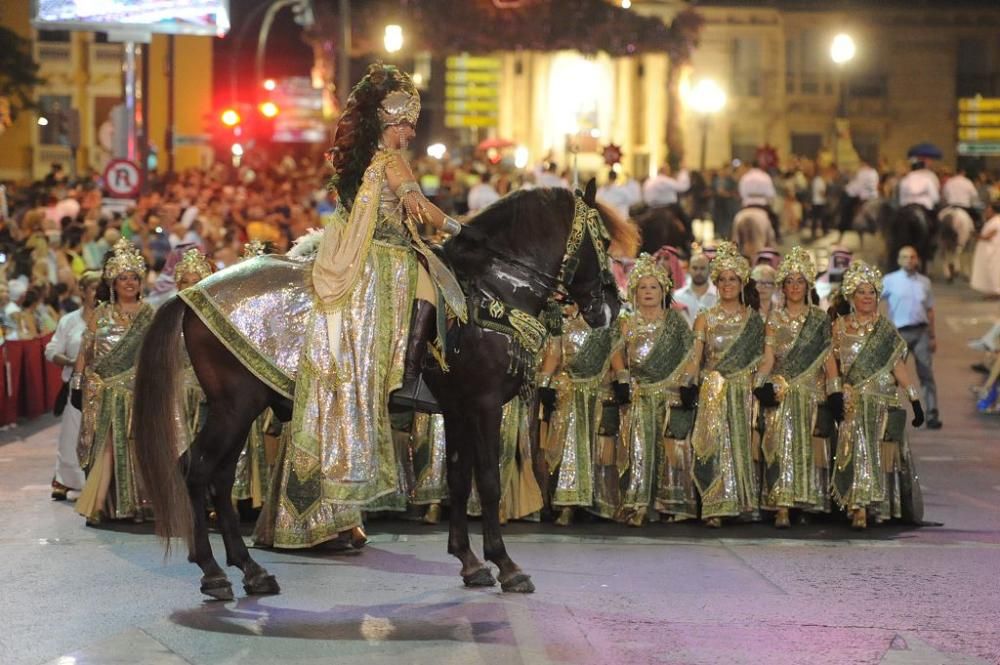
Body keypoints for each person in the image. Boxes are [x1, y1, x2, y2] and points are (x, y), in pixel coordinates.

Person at [261, 64, 470, 548]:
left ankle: (333, 516)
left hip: (356, 261)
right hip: (384, 265)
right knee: (433, 288)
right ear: (390, 125)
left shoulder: (359, 161)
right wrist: (465, 230)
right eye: (407, 125)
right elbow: (419, 211)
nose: (411, 133)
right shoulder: (391, 162)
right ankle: (411, 372)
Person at [830, 260, 925, 529]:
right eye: (861, 292)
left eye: (872, 292)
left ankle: (879, 506)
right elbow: (831, 365)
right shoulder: (839, 328)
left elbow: (899, 367)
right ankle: (857, 504)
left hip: (884, 401)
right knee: (855, 449)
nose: (867, 297)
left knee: (881, 452)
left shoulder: (886, 330)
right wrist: (835, 392)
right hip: (853, 402)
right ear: (851, 295)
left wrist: (914, 398)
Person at [754, 248, 839, 528]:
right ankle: (780, 504)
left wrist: (835, 389)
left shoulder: (819, 319)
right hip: (781, 392)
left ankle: (806, 503)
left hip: (812, 394)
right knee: (778, 446)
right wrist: (760, 384)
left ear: (808, 285)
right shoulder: (774, 318)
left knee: (808, 449)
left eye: (799, 282)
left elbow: (827, 357)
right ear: (783, 286)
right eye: (789, 282)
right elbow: (768, 357)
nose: (794, 287)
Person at [611, 254, 697, 525]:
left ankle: (671, 504)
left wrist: (685, 385)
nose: (648, 292)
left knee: (672, 450)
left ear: (664, 291)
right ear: (634, 292)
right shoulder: (626, 322)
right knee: (638, 450)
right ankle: (638, 504)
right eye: (643, 288)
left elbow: (691, 356)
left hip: (671, 395)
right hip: (638, 395)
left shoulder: (676, 322)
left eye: (654, 287)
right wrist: (623, 379)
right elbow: (617, 354)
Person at [73, 239, 155, 524]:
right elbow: (87, 350)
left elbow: (157, 355)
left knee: (137, 448)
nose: (129, 283)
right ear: (113, 282)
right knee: (106, 447)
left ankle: (137, 506)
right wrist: (77, 382)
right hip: (104, 392)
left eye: (134, 277)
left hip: (138, 392)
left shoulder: (150, 314)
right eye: (123, 278)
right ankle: (96, 506)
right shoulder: (101, 314)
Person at [688, 241, 764, 527]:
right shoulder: (704, 319)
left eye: (733, 279)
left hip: (744, 390)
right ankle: (714, 506)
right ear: (716, 283)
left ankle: (743, 503)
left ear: (742, 282)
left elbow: (762, 360)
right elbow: (696, 358)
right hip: (713, 388)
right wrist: (688, 382)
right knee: (713, 444)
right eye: (723, 279)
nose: (728, 284)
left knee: (741, 443)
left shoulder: (754, 320)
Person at [536, 300, 616, 526]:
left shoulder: (608, 326)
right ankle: (566, 504)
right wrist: (544, 382)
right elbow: (553, 356)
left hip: (599, 394)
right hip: (568, 393)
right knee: (566, 446)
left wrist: (621, 378)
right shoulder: (564, 326)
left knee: (598, 449)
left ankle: (592, 503)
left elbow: (616, 355)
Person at [44, 271, 101, 500]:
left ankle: (98, 482)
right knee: (72, 434)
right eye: (93, 288)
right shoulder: (69, 321)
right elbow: (51, 350)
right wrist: (71, 362)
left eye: (101, 288)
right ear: (82, 291)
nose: (97, 293)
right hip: (75, 386)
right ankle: (68, 480)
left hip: (103, 386)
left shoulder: (109, 318)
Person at [881, 246, 942, 429]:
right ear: (899, 260)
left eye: (912, 257)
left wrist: (932, 335)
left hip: (921, 332)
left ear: (917, 260)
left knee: (926, 374)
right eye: (905, 257)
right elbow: (872, 299)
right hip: (899, 334)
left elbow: (930, 310)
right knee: (893, 376)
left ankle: (932, 414)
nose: (909, 260)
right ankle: (887, 413)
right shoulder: (890, 280)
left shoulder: (925, 282)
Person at [673, 252, 717, 327]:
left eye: (702, 268)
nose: (698, 272)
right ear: (689, 269)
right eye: (695, 268)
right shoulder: (677, 297)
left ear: (710, 270)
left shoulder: (718, 296)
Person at [971, 199, 1000, 298]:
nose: (986, 212)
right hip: (990, 250)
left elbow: (988, 237)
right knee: (990, 271)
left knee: (993, 270)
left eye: (988, 210)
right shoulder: (992, 221)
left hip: (993, 251)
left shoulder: (996, 221)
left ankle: (996, 292)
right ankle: (992, 291)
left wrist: (975, 235)